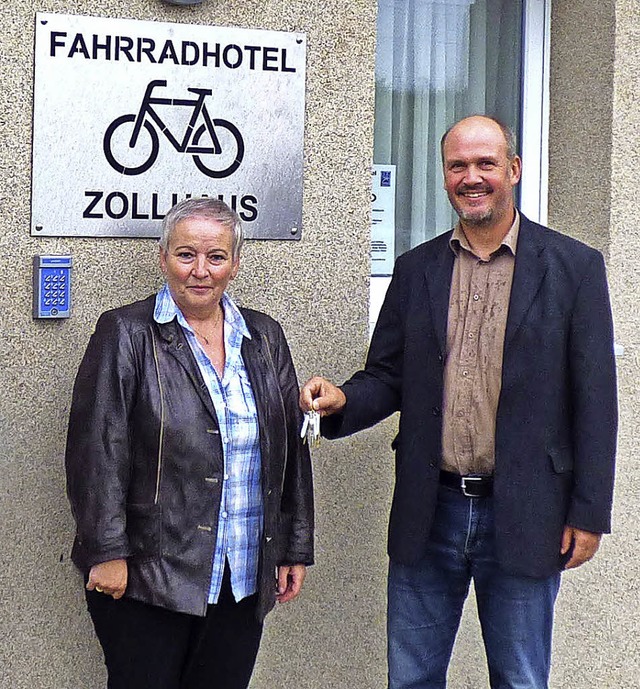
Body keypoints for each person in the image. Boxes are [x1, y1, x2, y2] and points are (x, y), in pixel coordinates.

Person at [300, 115, 617, 689]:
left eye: (485, 164)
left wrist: (589, 513)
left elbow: (595, 402)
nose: (472, 177)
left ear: (513, 171)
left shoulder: (573, 268)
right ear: (445, 177)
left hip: (527, 513)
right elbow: (389, 375)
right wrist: (344, 398)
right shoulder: (417, 268)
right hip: (432, 510)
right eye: (457, 166)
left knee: (519, 679)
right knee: (413, 678)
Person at [65, 197, 314, 689]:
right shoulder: (126, 332)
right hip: (148, 573)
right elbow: (96, 449)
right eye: (186, 255)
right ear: (163, 258)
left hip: (240, 573)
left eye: (216, 257)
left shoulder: (264, 337)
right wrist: (105, 551)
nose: (200, 270)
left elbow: (289, 447)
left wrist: (293, 546)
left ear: (235, 263)